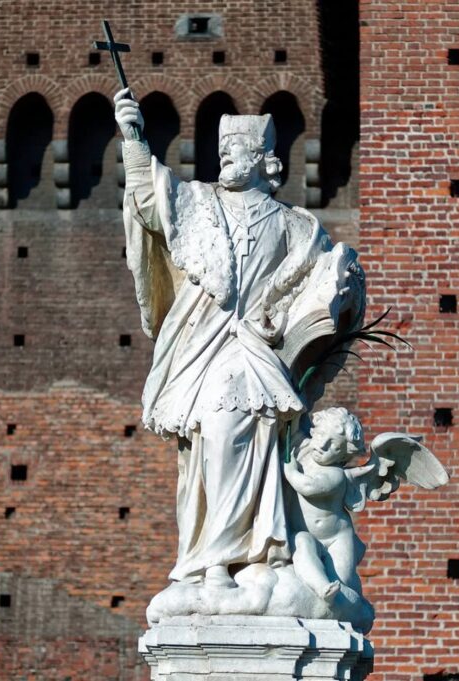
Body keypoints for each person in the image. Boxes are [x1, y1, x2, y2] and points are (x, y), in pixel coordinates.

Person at [114, 88, 331, 588]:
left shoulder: (296, 226)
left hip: (257, 346)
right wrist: (133, 138)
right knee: (207, 443)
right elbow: (149, 200)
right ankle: (211, 555)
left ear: (262, 159)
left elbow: (322, 279)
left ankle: (239, 556)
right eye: (223, 150)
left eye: (235, 150)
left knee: (253, 437)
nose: (225, 157)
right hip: (202, 344)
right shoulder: (199, 203)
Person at [282, 408, 372, 600]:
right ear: (314, 431)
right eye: (321, 435)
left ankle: (348, 599)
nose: (323, 445)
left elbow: (309, 486)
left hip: (337, 539)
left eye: (334, 446)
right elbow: (292, 428)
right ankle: (322, 588)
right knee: (301, 547)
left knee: (344, 580)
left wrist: (290, 472)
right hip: (305, 534)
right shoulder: (303, 452)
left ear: (343, 455)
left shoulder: (335, 474)